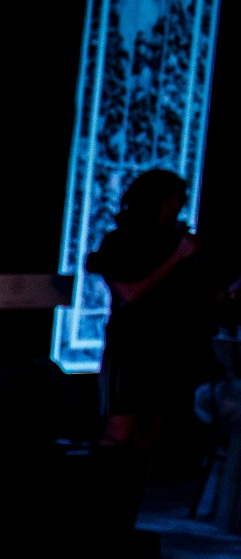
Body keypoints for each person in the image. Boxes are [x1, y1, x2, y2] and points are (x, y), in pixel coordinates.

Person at [87, 168, 212, 451]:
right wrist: (177, 257)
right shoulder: (120, 242)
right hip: (130, 348)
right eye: (175, 199)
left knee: (154, 430)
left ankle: (141, 478)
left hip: (168, 347)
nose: (179, 206)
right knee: (121, 429)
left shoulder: (175, 241)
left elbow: (194, 299)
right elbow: (130, 295)